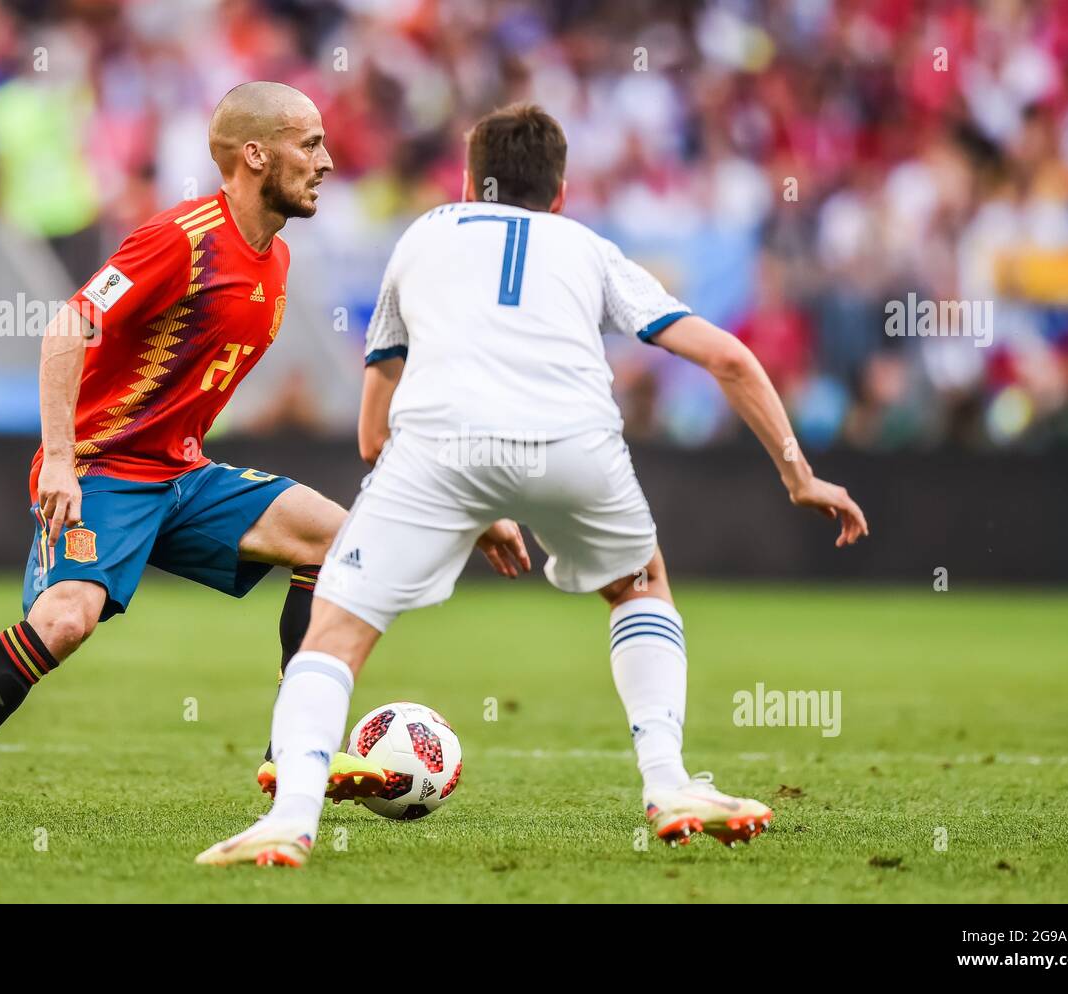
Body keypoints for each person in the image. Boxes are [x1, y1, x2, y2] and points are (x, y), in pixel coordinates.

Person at [197, 103, 869, 868]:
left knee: (336, 633)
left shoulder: (424, 237)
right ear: (559, 193)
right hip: (574, 442)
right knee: (640, 590)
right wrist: (799, 473)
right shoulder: (586, 247)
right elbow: (730, 360)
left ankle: (290, 817)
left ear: (468, 181)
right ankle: (670, 783)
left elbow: (373, 433)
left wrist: (469, 511)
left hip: (436, 445)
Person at [0, 82, 393, 822]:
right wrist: (60, 457)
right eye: (309, 143)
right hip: (105, 467)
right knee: (64, 622)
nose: (327, 160)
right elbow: (67, 326)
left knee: (334, 540)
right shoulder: (181, 239)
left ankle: (294, 751)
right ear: (254, 154)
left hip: (181, 472)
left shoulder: (273, 263)